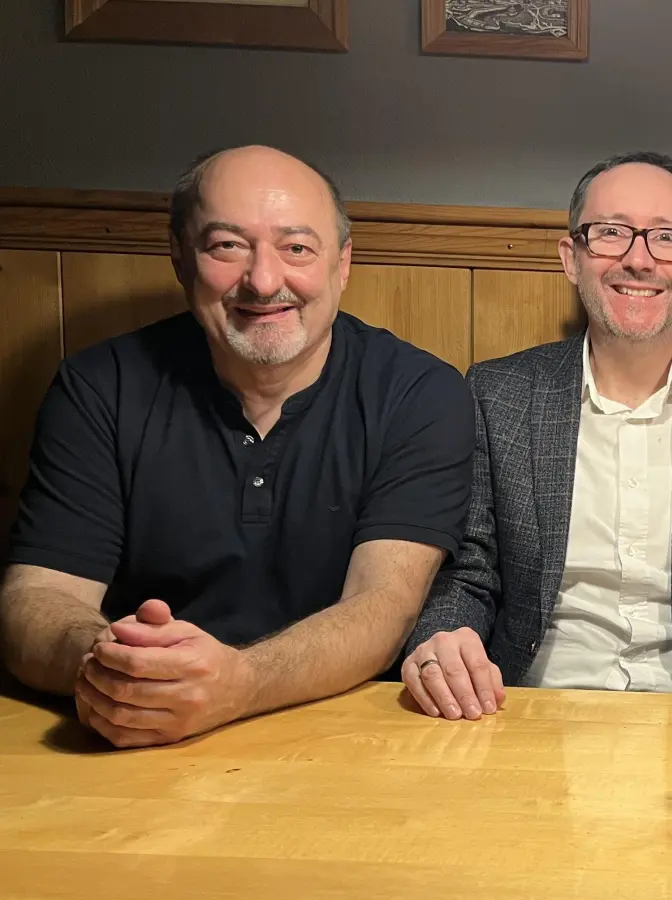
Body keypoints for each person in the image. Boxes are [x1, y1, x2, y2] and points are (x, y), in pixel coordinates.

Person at [0, 145, 474, 747]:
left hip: (342, 728)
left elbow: (384, 606)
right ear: (179, 257)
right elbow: (37, 598)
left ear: (343, 263)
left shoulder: (419, 392)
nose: (265, 280)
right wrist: (120, 667)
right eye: (227, 245)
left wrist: (238, 684)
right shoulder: (100, 388)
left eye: (297, 247)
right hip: (126, 726)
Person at [399, 151, 672, 719]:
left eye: (666, 238)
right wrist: (443, 638)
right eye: (611, 233)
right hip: (526, 710)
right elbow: (470, 571)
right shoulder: (498, 393)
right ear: (572, 257)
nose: (639, 260)